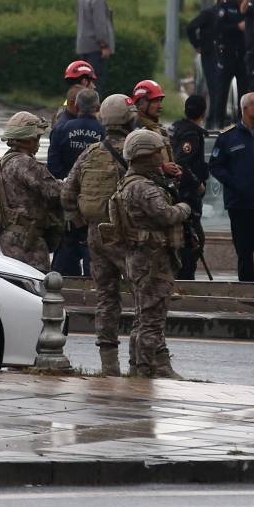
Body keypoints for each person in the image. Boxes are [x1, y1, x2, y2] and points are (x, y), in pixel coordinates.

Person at [60, 94, 137, 376]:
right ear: (129, 119)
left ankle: (108, 363)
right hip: (127, 236)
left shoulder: (91, 153)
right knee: (144, 296)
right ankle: (141, 361)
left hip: (96, 235)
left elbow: (67, 194)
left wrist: (82, 221)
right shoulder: (136, 151)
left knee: (106, 296)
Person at [108, 129, 192, 379]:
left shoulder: (127, 183)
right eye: (157, 153)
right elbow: (165, 215)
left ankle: (136, 368)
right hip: (153, 260)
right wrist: (184, 208)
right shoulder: (144, 188)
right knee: (152, 321)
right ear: (146, 156)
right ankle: (145, 372)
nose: (160, 157)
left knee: (142, 318)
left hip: (139, 258)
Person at [209, 92, 254, 282]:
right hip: (240, 206)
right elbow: (215, 166)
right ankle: (246, 290)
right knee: (244, 253)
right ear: (245, 109)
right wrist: (235, 183)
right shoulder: (227, 137)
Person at [0, 112, 63, 272]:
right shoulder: (27, 164)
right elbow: (55, 192)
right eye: (37, 138)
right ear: (27, 139)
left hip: (10, 234)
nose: (38, 143)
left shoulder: (5, 161)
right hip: (27, 238)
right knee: (37, 280)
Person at [48, 88, 104, 277]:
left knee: (65, 255)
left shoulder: (61, 130)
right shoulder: (104, 132)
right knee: (94, 258)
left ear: (77, 106)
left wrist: (68, 186)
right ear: (97, 107)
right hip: (96, 204)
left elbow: (52, 168)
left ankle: (62, 288)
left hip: (68, 206)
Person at [170, 94, 210, 279]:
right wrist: (197, 184)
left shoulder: (176, 127)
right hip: (187, 195)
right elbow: (181, 162)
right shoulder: (191, 134)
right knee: (193, 242)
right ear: (203, 112)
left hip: (177, 193)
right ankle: (186, 281)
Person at [187, 0, 232, 129]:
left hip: (225, 55)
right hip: (210, 54)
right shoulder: (210, 13)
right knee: (214, 87)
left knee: (221, 88)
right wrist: (198, 44)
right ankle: (212, 121)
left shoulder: (230, 14)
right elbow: (191, 27)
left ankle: (218, 118)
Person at [131, 79, 183, 181]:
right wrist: (162, 168)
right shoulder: (136, 131)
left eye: (160, 101)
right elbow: (135, 165)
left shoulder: (158, 128)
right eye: (155, 101)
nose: (160, 106)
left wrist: (173, 169)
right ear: (141, 103)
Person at [214, 0, 248, 127]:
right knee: (222, 90)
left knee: (243, 91)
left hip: (243, 56)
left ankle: (242, 121)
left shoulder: (250, 7)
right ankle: (218, 121)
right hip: (227, 54)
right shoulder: (227, 6)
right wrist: (237, 27)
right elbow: (219, 27)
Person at [76, 0, 114, 88]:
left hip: (83, 45)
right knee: (95, 82)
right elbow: (100, 24)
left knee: (84, 81)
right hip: (96, 47)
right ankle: (95, 101)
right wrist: (104, 46)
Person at [53, 60, 98, 128]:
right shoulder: (86, 109)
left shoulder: (64, 107)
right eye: (92, 82)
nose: (94, 86)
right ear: (84, 81)